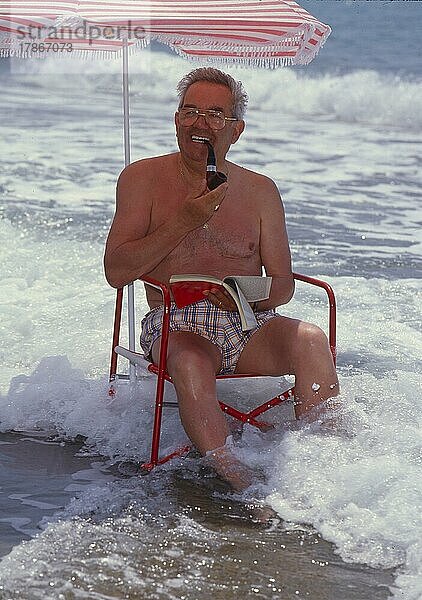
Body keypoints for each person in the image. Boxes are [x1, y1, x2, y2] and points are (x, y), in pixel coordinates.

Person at [104, 67, 339, 491]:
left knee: (311, 338)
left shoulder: (261, 190)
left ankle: (319, 467)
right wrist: (186, 220)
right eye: (190, 111)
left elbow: (283, 286)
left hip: (248, 322)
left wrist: (247, 299)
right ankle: (240, 479)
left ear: (236, 129)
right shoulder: (140, 179)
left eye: (215, 114)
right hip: (176, 323)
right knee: (192, 361)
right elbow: (116, 272)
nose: (200, 123)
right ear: (176, 120)